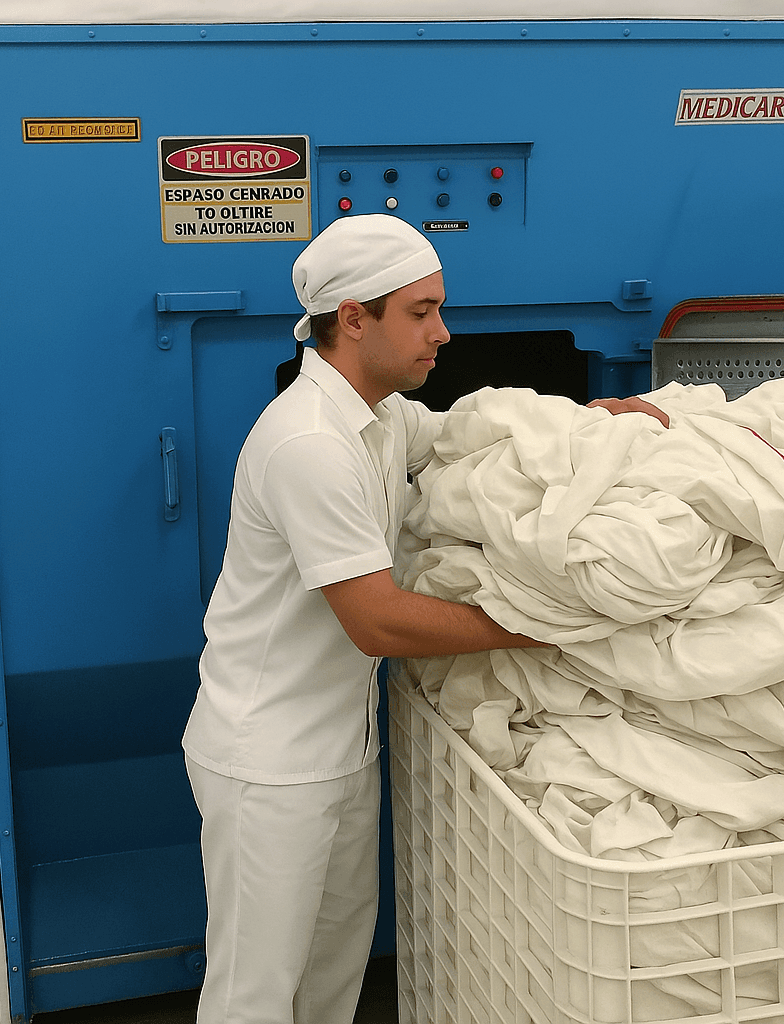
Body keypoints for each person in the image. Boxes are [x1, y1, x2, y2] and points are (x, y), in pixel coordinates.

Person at [181, 214, 667, 1024]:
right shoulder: (310, 442)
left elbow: (475, 440)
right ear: (352, 318)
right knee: (255, 992)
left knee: (332, 973)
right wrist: (543, 622)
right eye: (421, 312)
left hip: (338, 743)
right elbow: (378, 623)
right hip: (267, 760)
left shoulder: (381, 418)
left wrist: (594, 425)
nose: (444, 333)